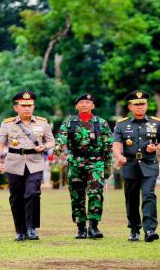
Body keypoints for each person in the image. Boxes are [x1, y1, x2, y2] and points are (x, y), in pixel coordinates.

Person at [0, 90, 55, 241]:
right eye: (23, 105)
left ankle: (31, 228)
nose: (27, 108)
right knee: (16, 197)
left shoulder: (42, 122)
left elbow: (52, 141)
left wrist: (44, 147)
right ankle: (20, 231)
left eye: (30, 105)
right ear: (16, 107)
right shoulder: (7, 124)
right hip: (14, 163)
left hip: (35, 162)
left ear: (34, 106)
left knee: (32, 193)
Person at [54, 93, 113, 239]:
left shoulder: (101, 122)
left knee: (95, 194)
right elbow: (61, 137)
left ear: (93, 105)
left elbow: (108, 146)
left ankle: (93, 226)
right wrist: (58, 147)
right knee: (77, 195)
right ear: (76, 106)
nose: (85, 105)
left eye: (88, 102)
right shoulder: (70, 122)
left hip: (96, 163)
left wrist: (107, 166)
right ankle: (81, 228)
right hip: (76, 162)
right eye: (81, 102)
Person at [113, 90, 160, 242]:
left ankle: (150, 229)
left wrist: (156, 147)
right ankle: (134, 228)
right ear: (130, 106)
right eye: (136, 105)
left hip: (149, 163)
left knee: (149, 195)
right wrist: (118, 156)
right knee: (131, 198)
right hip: (129, 164)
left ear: (147, 105)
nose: (140, 107)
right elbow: (116, 143)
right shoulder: (121, 124)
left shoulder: (156, 123)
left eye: (142, 104)